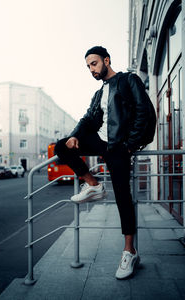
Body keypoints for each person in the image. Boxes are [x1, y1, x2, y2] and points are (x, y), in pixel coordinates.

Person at [55, 46, 152, 279]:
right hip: (102, 142)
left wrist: (130, 144)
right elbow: (89, 118)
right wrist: (76, 135)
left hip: (120, 147)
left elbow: (144, 111)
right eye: (88, 66)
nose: (91, 69)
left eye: (94, 63)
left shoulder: (128, 80)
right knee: (62, 145)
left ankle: (130, 251)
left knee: (122, 197)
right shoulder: (99, 93)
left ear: (106, 60)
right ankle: (94, 184)